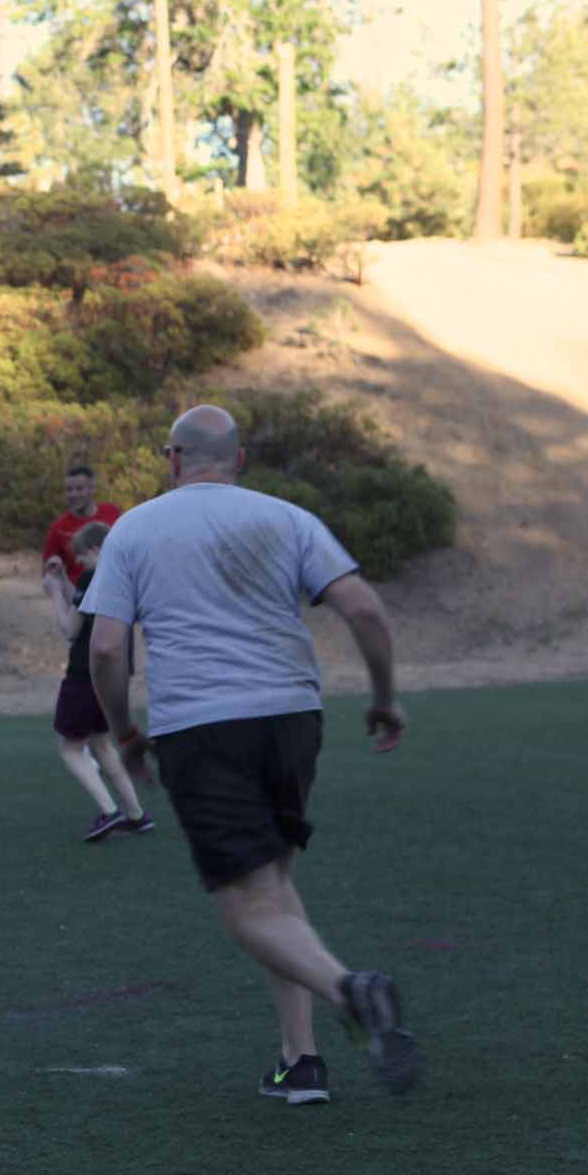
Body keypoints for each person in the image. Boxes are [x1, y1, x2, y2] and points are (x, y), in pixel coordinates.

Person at [82, 405, 422, 1103]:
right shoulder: (289, 518)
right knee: (273, 887)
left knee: (245, 907)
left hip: (203, 727)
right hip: (293, 719)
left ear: (172, 458)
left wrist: (124, 733)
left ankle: (350, 992)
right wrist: (385, 698)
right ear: (238, 460)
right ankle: (301, 1061)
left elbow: (107, 650)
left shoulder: (134, 529)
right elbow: (365, 611)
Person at [43, 520, 155, 842]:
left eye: (81, 555)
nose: (78, 562)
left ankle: (109, 811)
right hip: (114, 676)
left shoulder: (94, 576)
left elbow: (70, 628)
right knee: (101, 744)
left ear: (95, 549)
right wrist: (65, 580)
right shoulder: (125, 578)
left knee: (70, 748)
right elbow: (85, 609)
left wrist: (54, 592)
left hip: (84, 673)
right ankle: (136, 814)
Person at [40, 464, 124, 587]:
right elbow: (47, 571)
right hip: (77, 593)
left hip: (114, 586)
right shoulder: (58, 528)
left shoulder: (112, 512)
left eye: (79, 489)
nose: (73, 494)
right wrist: (53, 567)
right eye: (69, 490)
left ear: (92, 489)